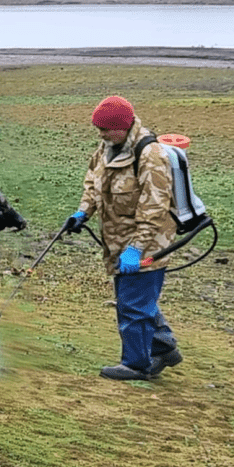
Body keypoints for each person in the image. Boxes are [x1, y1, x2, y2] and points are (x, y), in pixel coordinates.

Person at [62, 95, 184, 381]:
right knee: (135, 297)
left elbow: (154, 208)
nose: (101, 135)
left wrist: (136, 249)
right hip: (118, 241)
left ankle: (136, 364)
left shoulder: (152, 155)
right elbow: (93, 182)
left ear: (124, 126)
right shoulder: (107, 148)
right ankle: (163, 346)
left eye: (106, 129)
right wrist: (82, 213)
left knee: (132, 303)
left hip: (148, 242)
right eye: (99, 130)